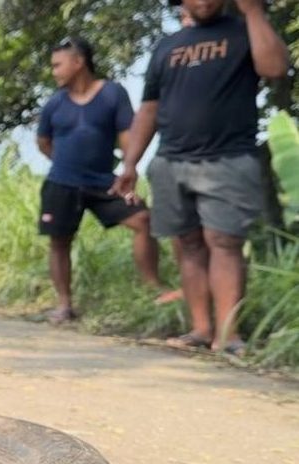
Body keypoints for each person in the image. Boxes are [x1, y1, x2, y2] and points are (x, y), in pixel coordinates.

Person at [111, 0, 288, 355]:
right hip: (171, 160)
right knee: (188, 244)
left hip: (227, 159)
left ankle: (229, 334)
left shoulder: (243, 33)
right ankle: (201, 328)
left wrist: (253, 11)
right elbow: (149, 108)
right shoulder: (167, 46)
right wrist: (130, 163)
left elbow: (275, 68)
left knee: (224, 242)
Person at [36, 37, 169, 324]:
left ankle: (154, 289)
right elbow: (43, 142)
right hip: (62, 183)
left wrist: (129, 169)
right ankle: (64, 304)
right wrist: (66, 163)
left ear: (78, 62)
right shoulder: (54, 103)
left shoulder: (112, 94)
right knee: (59, 241)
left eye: (58, 65)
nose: (54, 71)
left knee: (143, 220)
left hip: (103, 182)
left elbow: (127, 138)